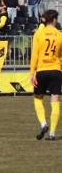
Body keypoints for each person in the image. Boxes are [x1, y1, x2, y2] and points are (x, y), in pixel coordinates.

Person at [30, 9, 62, 140]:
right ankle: (52, 133)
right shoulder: (60, 35)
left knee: (38, 98)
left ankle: (43, 123)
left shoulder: (39, 33)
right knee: (55, 102)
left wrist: (32, 72)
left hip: (42, 70)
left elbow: (35, 55)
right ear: (54, 20)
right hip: (56, 70)